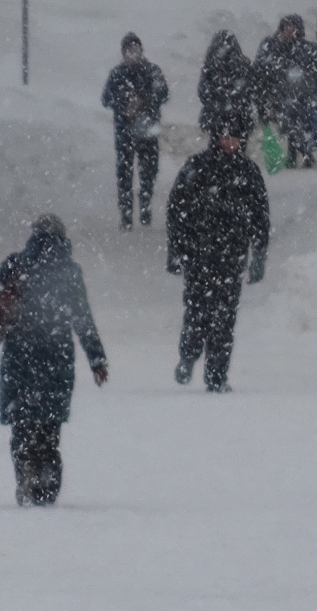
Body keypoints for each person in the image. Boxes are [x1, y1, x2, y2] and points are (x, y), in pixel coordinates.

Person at [0, 215, 109, 506]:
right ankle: (47, 480)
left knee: (22, 423)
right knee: (49, 428)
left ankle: (25, 470)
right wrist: (96, 359)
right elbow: (83, 319)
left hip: (19, 356)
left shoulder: (16, 264)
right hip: (56, 357)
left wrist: (5, 295)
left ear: (33, 236)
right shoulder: (69, 272)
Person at [166, 115, 269, 393]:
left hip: (232, 258)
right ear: (216, 137)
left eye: (235, 137)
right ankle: (188, 356)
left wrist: (259, 253)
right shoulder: (197, 168)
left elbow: (261, 216)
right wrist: (175, 251)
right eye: (225, 136)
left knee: (224, 319)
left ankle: (217, 375)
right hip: (199, 255)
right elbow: (177, 210)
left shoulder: (248, 172)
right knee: (197, 312)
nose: (230, 142)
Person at [102, 32, 168, 229]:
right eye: (128, 50)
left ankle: (145, 205)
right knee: (124, 173)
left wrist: (145, 101)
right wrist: (124, 104)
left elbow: (163, 93)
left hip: (148, 130)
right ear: (123, 53)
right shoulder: (117, 74)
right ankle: (126, 213)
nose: (132, 54)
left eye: (135, 49)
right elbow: (106, 99)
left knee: (149, 171)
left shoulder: (152, 71)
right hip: (124, 131)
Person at [254, 15, 317, 168]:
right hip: (277, 97)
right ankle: (301, 155)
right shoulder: (272, 46)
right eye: (286, 26)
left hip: (299, 97)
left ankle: (299, 155)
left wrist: (316, 94)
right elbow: (261, 72)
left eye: (292, 26)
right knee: (290, 121)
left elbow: (315, 76)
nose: (289, 30)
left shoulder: (306, 49)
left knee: (294, 121)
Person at [197, 30, 256, 147]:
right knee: (238, 152)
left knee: (216, 151)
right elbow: (251, 89)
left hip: (217, 118)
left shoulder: (210, 65)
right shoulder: (243, 64)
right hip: (238, 118)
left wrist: (216, 102)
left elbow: (203, 91)